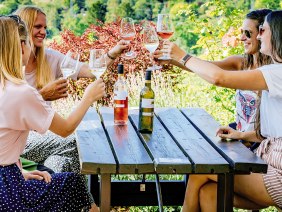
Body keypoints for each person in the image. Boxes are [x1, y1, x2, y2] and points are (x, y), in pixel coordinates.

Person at [163, 10, 282, 211]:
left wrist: (182, 56)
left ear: (278, 34)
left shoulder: (276, 72)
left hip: (278, 174)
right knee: (209, 193)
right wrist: (243, 134)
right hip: (268, 160)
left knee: (201, 170)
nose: (259, 36)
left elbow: (219, 78)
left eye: (263, 31)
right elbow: (274, 130)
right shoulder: (271, 71)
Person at [0, 15, 104, 211]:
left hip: (9, 180)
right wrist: (88, 97)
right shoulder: (21, 92)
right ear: (21, 46)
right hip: (8, 195)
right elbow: (65, 129)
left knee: (60, 173)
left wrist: (19, 172)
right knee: (73, 185)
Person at [15, 5, 128, 173]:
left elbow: (89, 70)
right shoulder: (8, 66)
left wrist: (113, 53)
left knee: (61, 164)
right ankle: (92, 199)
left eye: (45, 27)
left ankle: (56, 192)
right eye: (38, 26)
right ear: (23, 29)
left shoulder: (50, 58)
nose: (43, 32)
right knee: (77, 142)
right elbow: (8, 111)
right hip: (19, 140)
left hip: (47, 134)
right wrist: (42, 96)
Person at [156, 9, 272, 150]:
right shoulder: (241, 63)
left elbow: (217, 78)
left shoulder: (270, 72)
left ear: (263, 34)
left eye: (247, 33)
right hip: (239, 137)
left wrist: (182, 56)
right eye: (241, 32)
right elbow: (205, 67)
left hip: (258, 144)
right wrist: (170, 60)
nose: (242, 38)